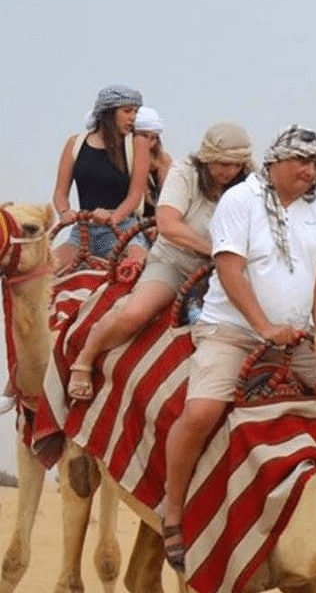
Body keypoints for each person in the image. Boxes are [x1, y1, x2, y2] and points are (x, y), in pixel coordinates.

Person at [160, 125, 316, 573]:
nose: (310, 170)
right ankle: (173, 510)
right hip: (234, 330)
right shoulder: (243, 201)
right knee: (201, 412)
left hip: (296, 338)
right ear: (276, 162)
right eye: (302, 161)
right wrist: (262, 325)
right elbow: (230, 268)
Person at [66, 123, 256, 401]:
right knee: (137, 312)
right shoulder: (185, 174)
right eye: (220, 164)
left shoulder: (253, 186)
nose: (227, 171)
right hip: (177, 262)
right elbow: (168, 224)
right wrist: (214, 251)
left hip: (229, 271)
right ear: (206, 158)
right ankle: (84, 359)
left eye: (234, 164)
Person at [51, 84, 154, 270]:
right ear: (108, 112)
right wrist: (64, 212)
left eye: (136, 112)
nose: (133, 117)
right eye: (127, 111)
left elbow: (135, 195)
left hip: (123, 229)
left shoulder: (138, 143)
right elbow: (60, 192)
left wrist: (113, 217)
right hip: (83, 232)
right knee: (41, 274)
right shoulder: (75, 144)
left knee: (134, 269)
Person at [132, 106, 173, 220]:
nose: (150, 141)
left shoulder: (163, 161)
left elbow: (168, 201)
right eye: (144, 136)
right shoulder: (123, 160)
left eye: (154, 137)